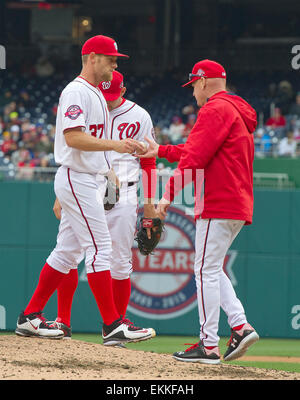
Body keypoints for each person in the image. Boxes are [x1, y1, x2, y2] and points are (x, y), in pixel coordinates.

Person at [15, 35, 155, 346]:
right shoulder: (76, 91)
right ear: (92, 57)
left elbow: (89, 146)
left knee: (66, 252)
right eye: (110, 59)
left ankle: (30, 316)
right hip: (77, 178)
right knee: (100, 249)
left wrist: (108, 171)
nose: (115, 64)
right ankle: (112, 324)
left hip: (88, 178)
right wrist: (115, 146)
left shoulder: (93, 94)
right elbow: (74, 139)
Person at [137, 59, 259, 364]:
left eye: (193, 85)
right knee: (212, 268)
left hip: (219, 202)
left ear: (203, 81)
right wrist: (162, 151)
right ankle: (241, 326)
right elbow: (197, 150)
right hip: (236, 203)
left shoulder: (214, 109)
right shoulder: (233, 110)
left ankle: (208, 345)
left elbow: (193, 161)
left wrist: (166, 198)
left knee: (204, 270)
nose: (192, 93)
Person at [49, 70, 158, 341]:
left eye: (113, 95)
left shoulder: (139, 116)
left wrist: (149, 208)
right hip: (85, 186)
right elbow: (73, 150)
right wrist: (61, 195)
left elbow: (148, 162)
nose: (107, 99)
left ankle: (116, 326)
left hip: (124, 193)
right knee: (68, 253)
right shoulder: (88, 103)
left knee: (120, 262)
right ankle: (63, 320)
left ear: (123, 91)